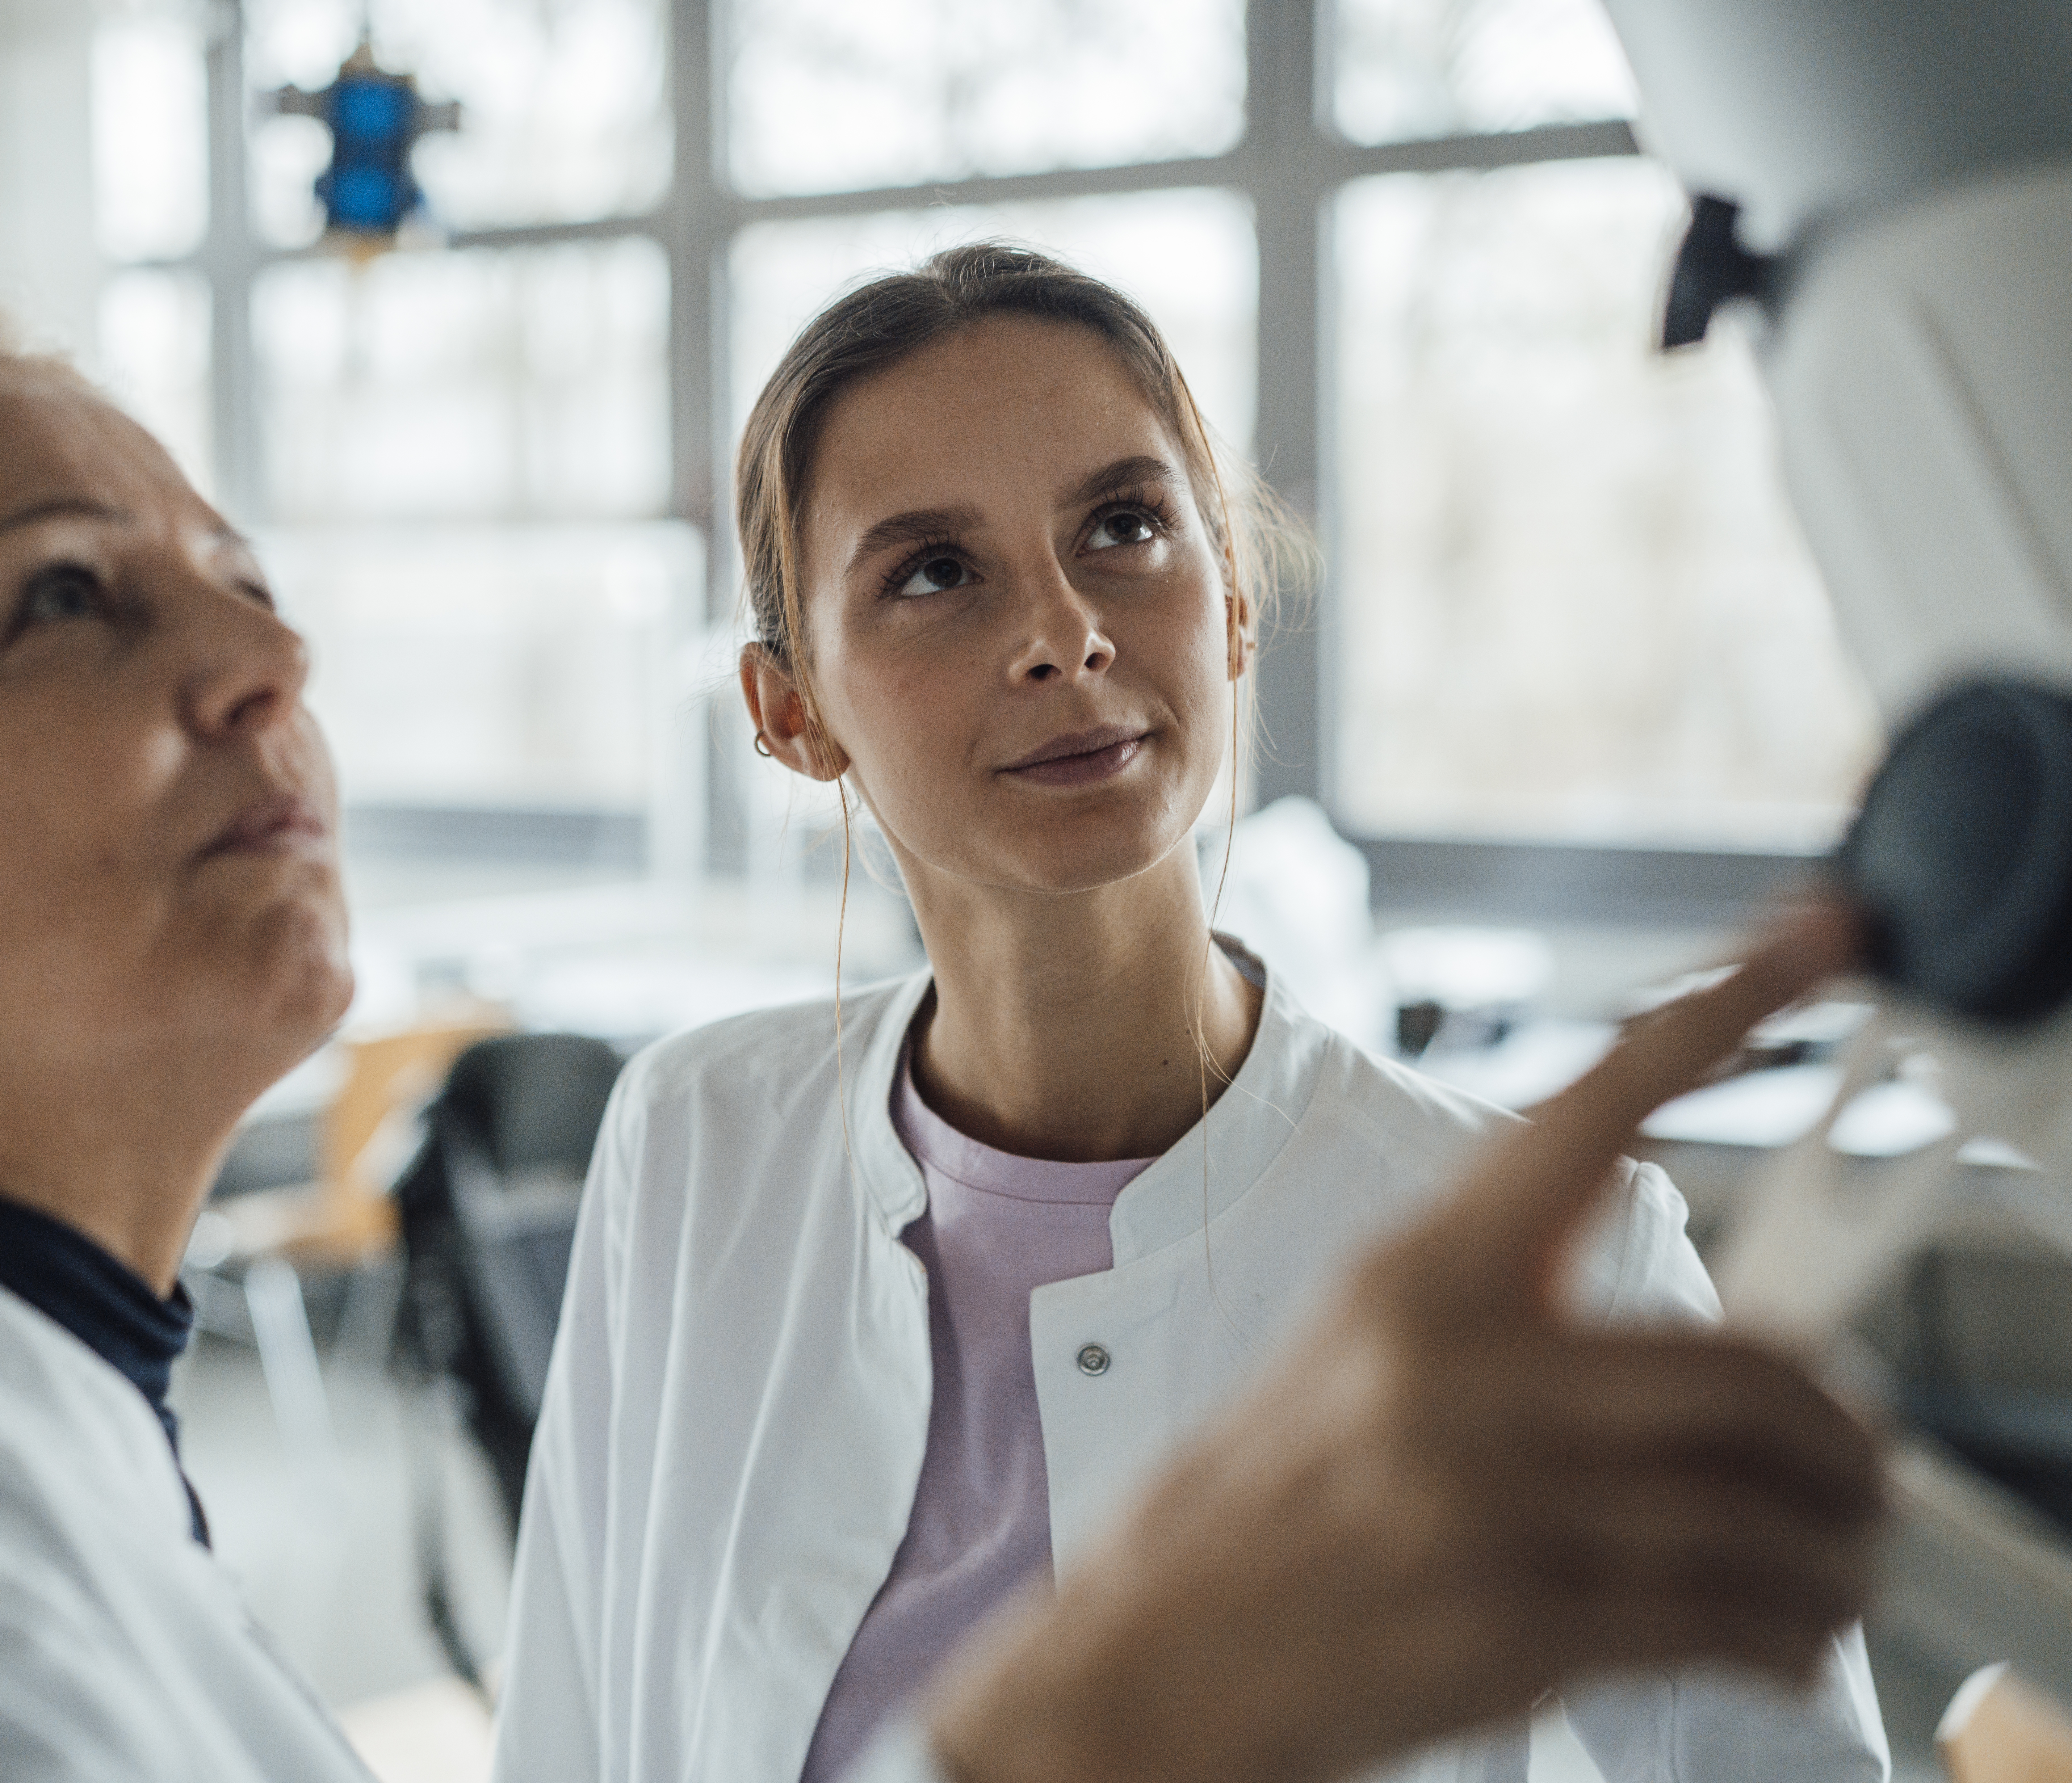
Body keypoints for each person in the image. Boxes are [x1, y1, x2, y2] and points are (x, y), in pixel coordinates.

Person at [0, 307, 1880, 1783]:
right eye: (62, 601)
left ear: (1238, 596)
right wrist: (1120, 1713)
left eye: (240, 581)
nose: (267, 660)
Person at [493, 242, 1890, 1783]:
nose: (1062, 632)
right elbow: (568, 1731)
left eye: (1121, 526)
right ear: (789, 710)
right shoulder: (691, 1140)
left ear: (1228, 603)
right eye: (933, 572)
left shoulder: (1559, 1258)